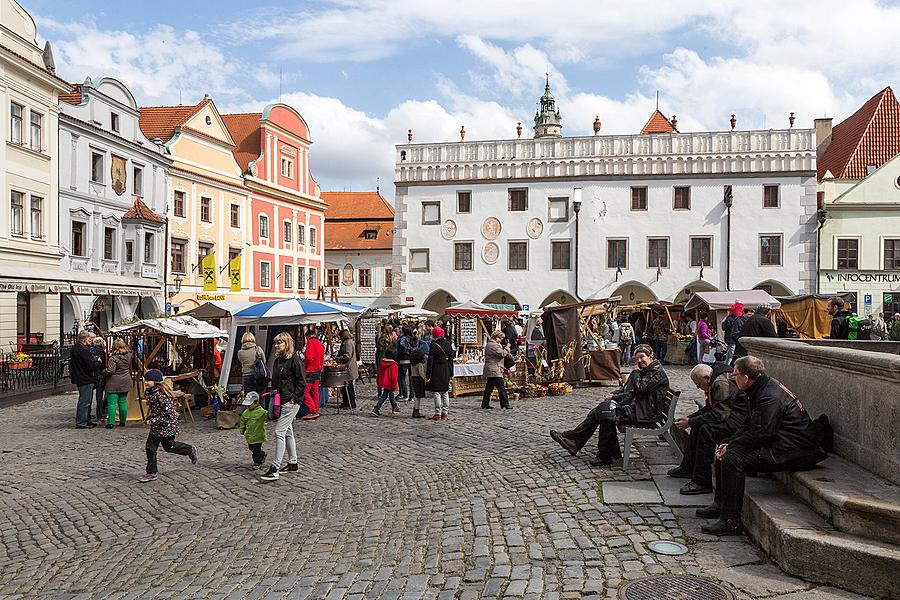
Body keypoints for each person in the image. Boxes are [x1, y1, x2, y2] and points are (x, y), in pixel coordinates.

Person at [698, 356, 827, 535]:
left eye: (734, 375)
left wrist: (733, 447)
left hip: (792, 449)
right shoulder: (758, 388)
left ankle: (730, 521)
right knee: (725, 446)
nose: (732, 378)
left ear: (745, 378)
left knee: (732, 458)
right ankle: (720, 505)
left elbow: (762, 433)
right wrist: (731, 442)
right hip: (779, 441)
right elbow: (748, 423)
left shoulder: (768, 396)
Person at [550, 345, 669, 466]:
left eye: (642, 357)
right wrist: (617, 397)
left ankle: (597, 451)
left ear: (651, 356)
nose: (639, 361)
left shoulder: (655, 372)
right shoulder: (650, 369)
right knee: (600, 411)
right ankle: (581, 443)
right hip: (641, 409)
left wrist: (634, 374)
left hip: (646, 414)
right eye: (637, 358)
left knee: (605, 414)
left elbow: (639, 389)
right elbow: (633, 392)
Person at [667, 363, 747, 494]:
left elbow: (720, 414)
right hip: (730, 417)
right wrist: (690, 419)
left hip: (737, 421)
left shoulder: (720, 383)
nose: (698, 387)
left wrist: (691, 421)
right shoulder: (713, 380)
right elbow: (710, 408)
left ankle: (702, 481)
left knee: (707, 430)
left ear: (706, 377)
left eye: (698, 383)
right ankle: (688, 467)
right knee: (697, 426)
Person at [260, 332, 306, 482]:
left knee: (279, 431)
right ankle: (293, 462)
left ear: (286, 344)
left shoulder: (295, 360)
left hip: (291, 402)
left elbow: (301, 382)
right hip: (283, 398)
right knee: (287, 432)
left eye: (279, 343)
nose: (276, 345)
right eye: (276, 343)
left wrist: (295, 398)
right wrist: (275, 390)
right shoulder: (279, 360)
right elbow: (278, 380)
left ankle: (275, 468)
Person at [140, 369, 198, 482]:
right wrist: (150, 418)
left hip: (167, 426)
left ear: (156, 382)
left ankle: (190, 450)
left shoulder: (162, 396)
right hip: (157, 426)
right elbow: (156, 409)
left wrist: (152, 421)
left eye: (149, 380)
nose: (146, 382)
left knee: (169, 447)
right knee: (150, 447)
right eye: (146, 380)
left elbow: (167, 415)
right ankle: (151, 472)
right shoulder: (150, 392)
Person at [71, 330, 101, 429]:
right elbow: (90, 365)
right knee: (85, 401)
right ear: (85, 339)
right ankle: (81, 422)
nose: (91, 341)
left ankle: (86, 420)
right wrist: (98, 362)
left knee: (86, 400)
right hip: (85, 378)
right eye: (89, 339)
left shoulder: (76, 348)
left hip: (81, 377)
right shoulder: (83, 350)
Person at [102, 338, 132, 429]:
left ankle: (111, 422)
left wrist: (104, 372)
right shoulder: (128, 355)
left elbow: (111, 370)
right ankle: (123, 421)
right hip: (126, 381)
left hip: (113, 382)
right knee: (122, 402)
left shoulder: (113, 358)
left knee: (112, 403)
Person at [426, 325, 453, 421]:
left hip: (436, 369)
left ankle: (438, 413)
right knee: (445, 391)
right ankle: (445, 412)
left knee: (436, 391)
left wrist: (428, 374)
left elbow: (430, 360)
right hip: (445, 368)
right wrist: (451, 373)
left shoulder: (434, 345)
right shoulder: (448, 344)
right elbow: (451, 360)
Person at [482, 330, 511, 410]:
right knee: (501, 387)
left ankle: (485, 403)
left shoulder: (491, 344)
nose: (500, 340)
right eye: (500, 338)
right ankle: (505, 404)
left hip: (493, 368)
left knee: (489, 387)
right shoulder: (493, 345)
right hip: (494, 369)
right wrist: (507, 348)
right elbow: (502, 353)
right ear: (497, 337)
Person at [239, 391, 268, 468]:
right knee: (251, 447)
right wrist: (242, 429)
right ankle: (262, 454)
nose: (247, 407)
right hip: (250, 435)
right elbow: (242, 421)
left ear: (256, 402)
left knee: (256, 449)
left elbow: (267, 416)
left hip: (258, 435)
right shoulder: (245, 413)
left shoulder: (262, 412)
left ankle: (258, 462)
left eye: (249, 405)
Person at [302, 328, 324, 420]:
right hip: (317, 370)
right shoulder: (320, 344)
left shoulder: (310, 343)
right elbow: (322, 358)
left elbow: (309, 358)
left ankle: (313, 410)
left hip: (310, 371)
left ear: (308, 336)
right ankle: (316, 410)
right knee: (315, 391)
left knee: (305, 391)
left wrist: (304, 364)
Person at [335, 329, 359, 410]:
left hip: (348, 367)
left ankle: (350, 403)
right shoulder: (349, 342)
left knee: (348, 386)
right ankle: (347, 402)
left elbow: (347, 355)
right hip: (349, 367)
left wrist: (338, 359)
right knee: (347, 386)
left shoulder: (347, 343)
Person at [372, 349, 400, 415]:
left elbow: (379, 373)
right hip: (389, 382)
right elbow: (394, 376)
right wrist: (394, 385)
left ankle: (394, 406)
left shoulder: (382, 362)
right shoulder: (393, 364)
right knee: (384, 396)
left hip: (384, 381)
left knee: (390, 394)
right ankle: (377, 408)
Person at [237, 331, 266, 396]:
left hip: (246, 376)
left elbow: (240, 361)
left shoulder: (240, 352)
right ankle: (261, 406)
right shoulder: (258, 349)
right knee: (261, 396)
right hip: (259, 376)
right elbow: (264, 361)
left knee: (249, 397)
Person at [410, 335, 429, 418]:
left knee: (416, 395)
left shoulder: (412, 363)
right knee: (418, 396)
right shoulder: (419, 364)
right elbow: (421, 373)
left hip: (413, 378)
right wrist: (425, 378)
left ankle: (415, 409)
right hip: (418, 379)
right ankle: (416, 410)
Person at [90, 336, 108, 422]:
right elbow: (104, 365)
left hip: (91, 375)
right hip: (100, 375)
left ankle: (88, 414)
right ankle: (99, 414)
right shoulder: (102, 352)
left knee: (89, 396)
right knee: (99, 397)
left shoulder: (90, 351)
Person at [397, 326, 414, 401]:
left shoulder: (403, 338)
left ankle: (405, 395)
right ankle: (412, 396)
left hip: (403, 359)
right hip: (412, 359)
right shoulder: (413, 338)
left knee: (402, 378)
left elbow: (401, 345)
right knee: (411, 378)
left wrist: (405, 349)